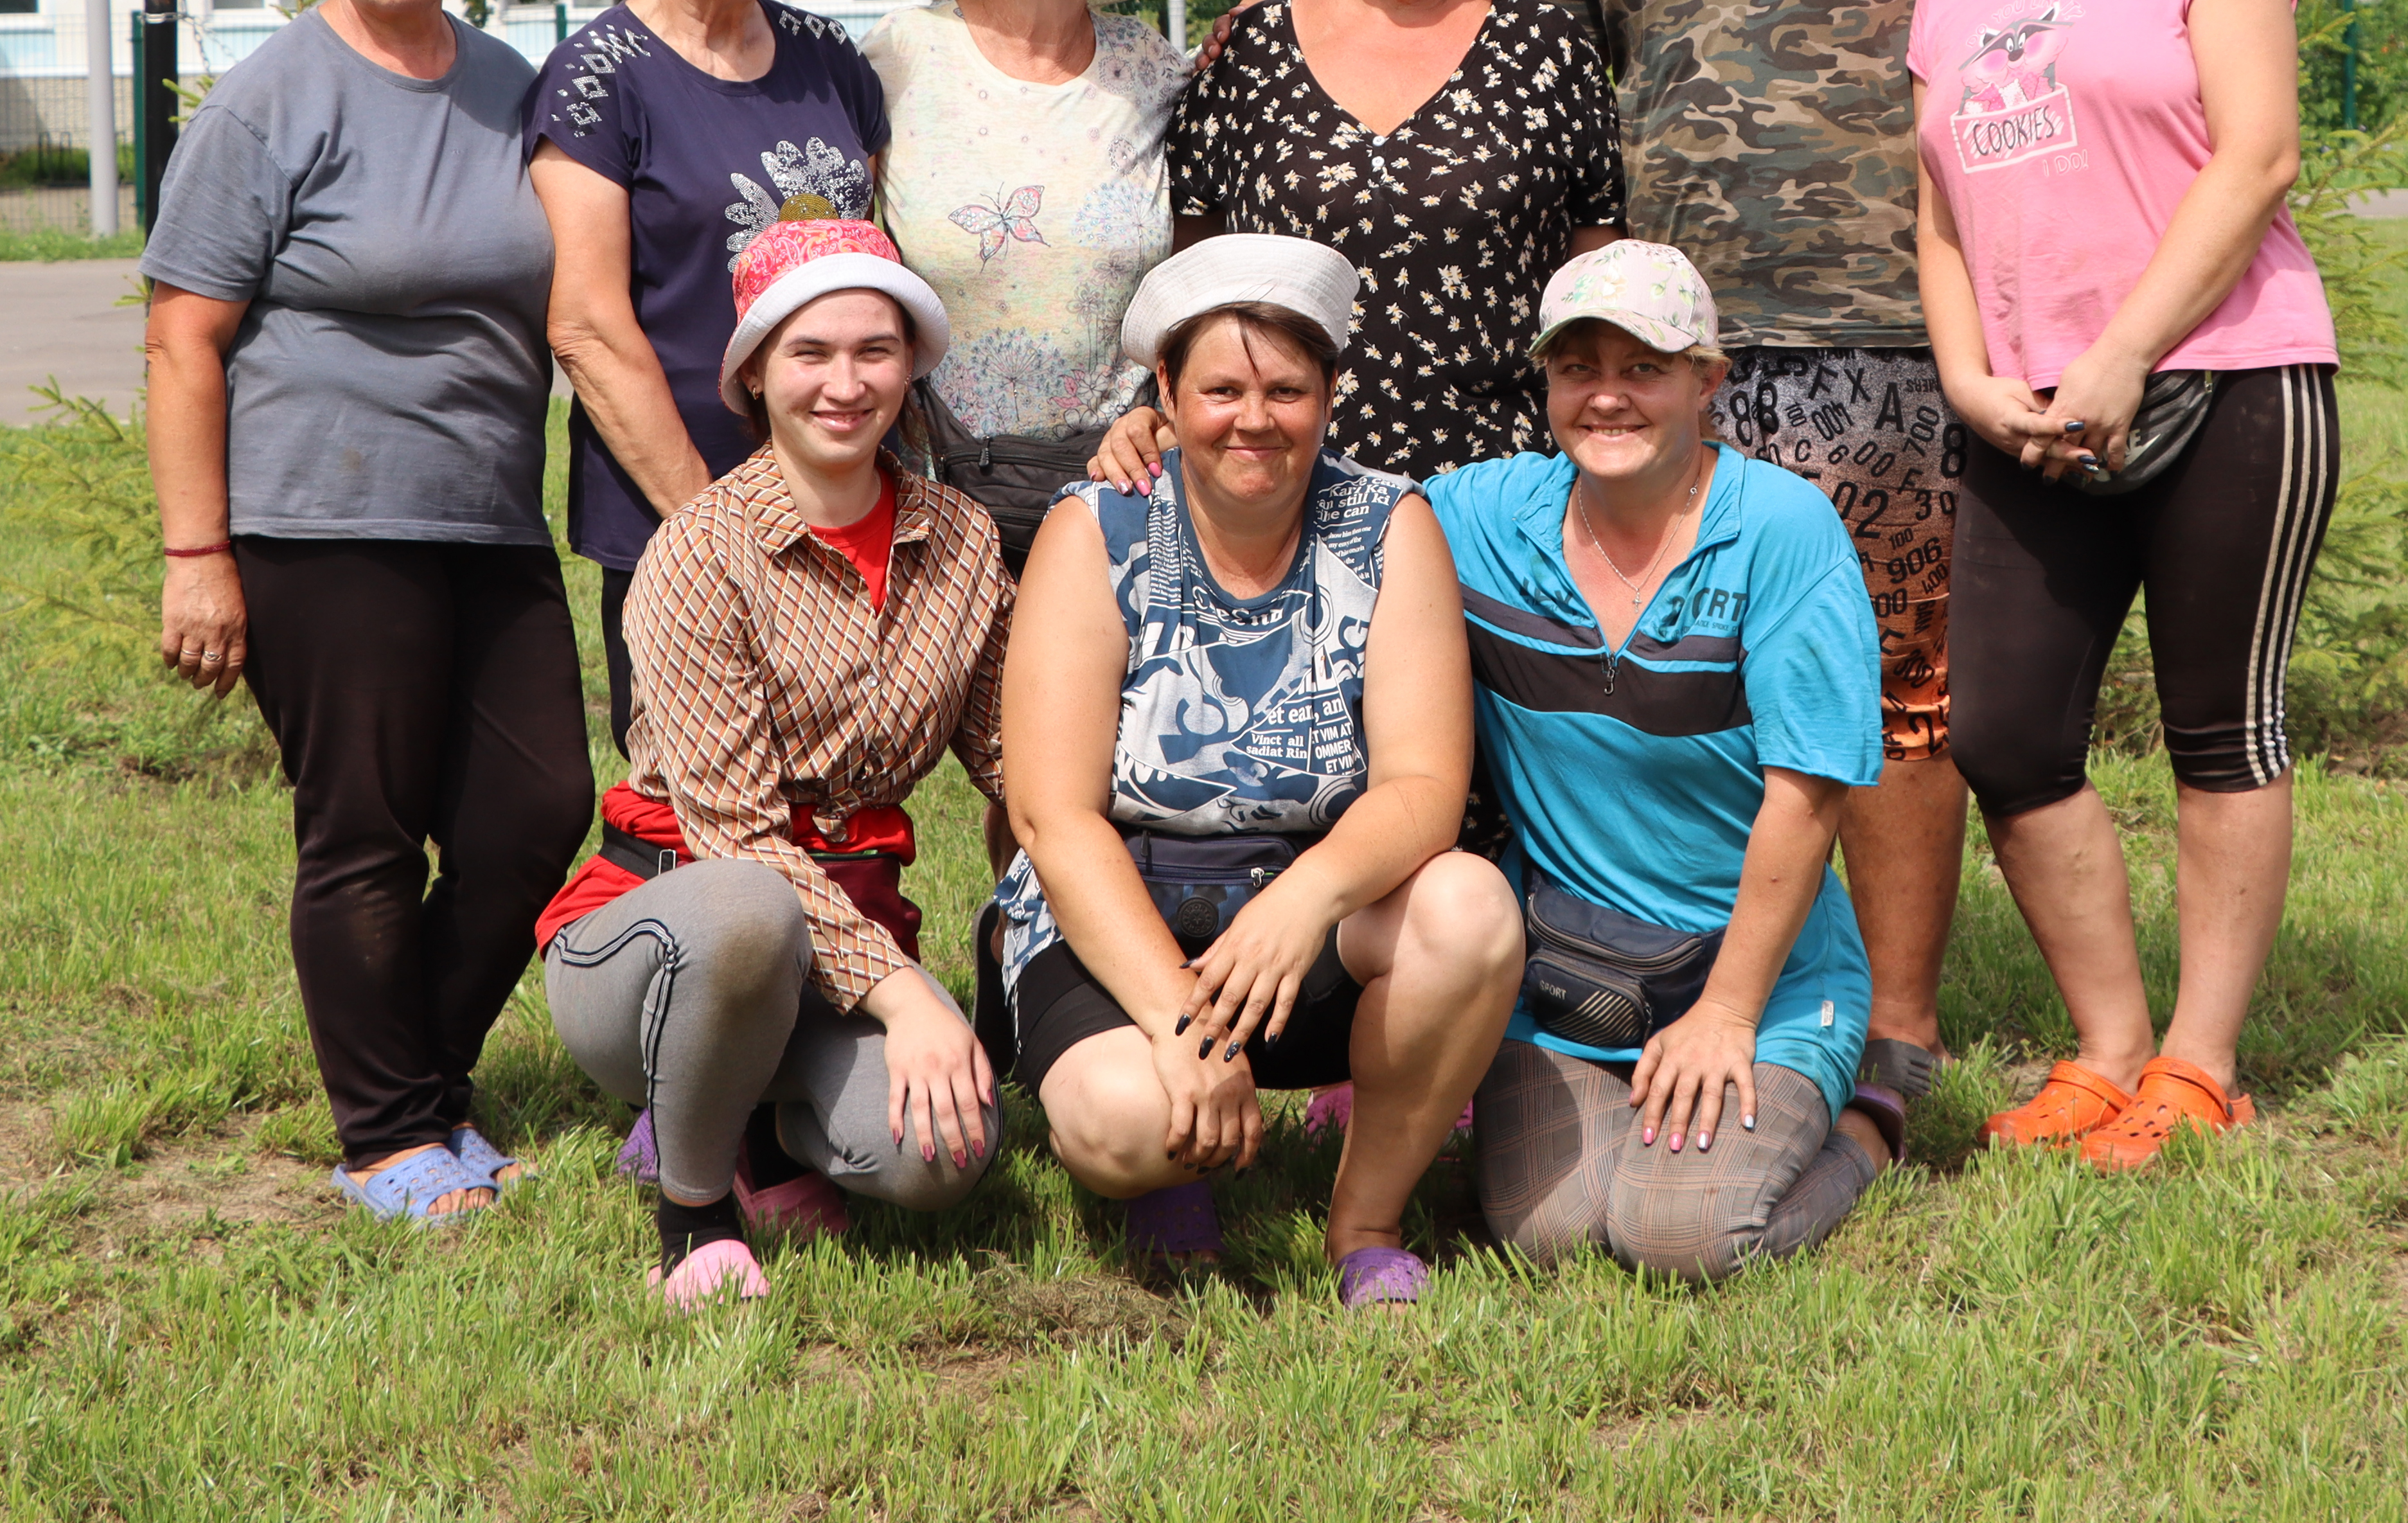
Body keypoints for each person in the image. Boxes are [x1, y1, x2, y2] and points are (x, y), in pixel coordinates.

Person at [1499, 0, 2293, 1110]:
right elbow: (1542, 70)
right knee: (1680, 682)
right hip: (1670, 344)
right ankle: (1696, 978)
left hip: (1894, 322)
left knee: (1898, 693)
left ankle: (1901, 1031)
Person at [141, 0, 590, 1224]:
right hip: (320, 524)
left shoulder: (514, 84)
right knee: (368, 830)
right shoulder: (274, 96)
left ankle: (423, 1081)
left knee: (535, 813)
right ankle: (388, 1136)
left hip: (490, 517)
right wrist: (196, 553)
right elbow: (182, 337)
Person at [1909, 0, 2338, 1170]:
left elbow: (2259, 153)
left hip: (2229, 377)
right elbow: (1941, 216)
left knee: (2220, 726)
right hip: (2024, 412)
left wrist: (2125, 353)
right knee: (2007, 732)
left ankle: (2200, 1063)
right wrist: (1970, 376)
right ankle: (2104, 1048)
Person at [992, 236, 1524, 1306]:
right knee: (1127, 1122)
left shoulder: (1388, 524)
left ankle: (1364, 1222)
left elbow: (1425, 784)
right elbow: (1053, 816)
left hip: (1308, 910)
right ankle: (1168, 1168)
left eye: (1287, 388)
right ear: (1165, 395)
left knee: (1469, 910)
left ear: (1330, 392)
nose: (1255, 418)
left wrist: (1308, 897)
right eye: (1222, 389)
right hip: (1115, 908)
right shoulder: (1093, 528)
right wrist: (1185, 1028)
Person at [534, 219, 1014, 1307]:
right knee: (751, 910)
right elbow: (733, 837)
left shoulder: (963, 538)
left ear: (912, 364)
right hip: (668, 934)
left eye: (875, 350)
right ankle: (694, 1209)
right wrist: (913, 998)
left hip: (842, 937)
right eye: (811, 353)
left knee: (942, 1157)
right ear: (754, 373)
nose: (846, 383)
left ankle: (765, 1122)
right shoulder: (699, 551)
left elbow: (1007, 757)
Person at [1425, 241, 1902, 1279]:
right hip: (1565, 972)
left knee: (1683, 1237)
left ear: (1708, 382)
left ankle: (1872, 1118)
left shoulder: (1783, 532)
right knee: (1545, 1237)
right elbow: (1308, 493)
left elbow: (1808, 798)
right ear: (1544, 380)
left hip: (1757, 976)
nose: (1608, 397)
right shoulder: (1478, 519)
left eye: (1643, 367)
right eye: (1578, 367)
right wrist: (1151, 439)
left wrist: (1728, 1013)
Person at [1095, 0, 1622, 488]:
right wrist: (1157, 412)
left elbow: (1597, 284)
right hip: (1280, 486)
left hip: (1504, 488)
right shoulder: (1251, 53)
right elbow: (1189, 284)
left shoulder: (1551, 50)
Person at [528, 0, 889, 753]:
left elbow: (875, 266)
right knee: (692, 817)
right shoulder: (599, 76)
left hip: (836, 510)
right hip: (675, 520)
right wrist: (722, 533)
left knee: (836, 805)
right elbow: (588, 328)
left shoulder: (831, 59)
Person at [867, 0, 1224, 445]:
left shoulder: (1152, 68)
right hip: (938, 484)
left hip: (1118, 484)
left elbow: (1196, 273)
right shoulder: (898, 57)